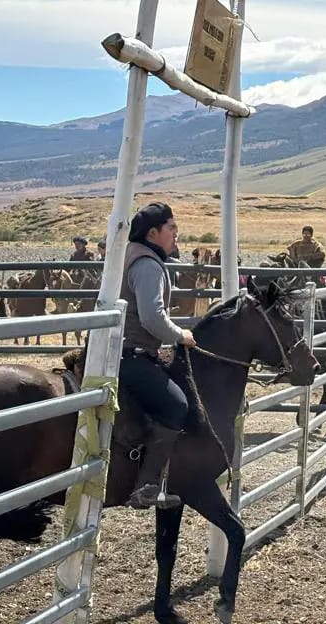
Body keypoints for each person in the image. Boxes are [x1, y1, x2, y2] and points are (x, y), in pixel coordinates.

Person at [118, 202, 196, 509]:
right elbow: (152, 317)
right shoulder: (148, 264)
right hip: (131, 353)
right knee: (177, 405)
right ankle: (146, 485)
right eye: (172, 228)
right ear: (153, 232)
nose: (176, 234)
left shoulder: (130, 256)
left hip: (121, 348)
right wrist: (181, 336)